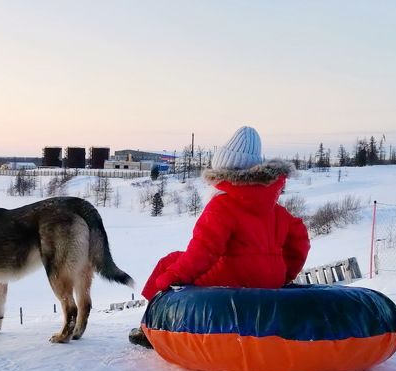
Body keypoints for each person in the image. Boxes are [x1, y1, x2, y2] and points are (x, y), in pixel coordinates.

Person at [129, 126, 310, 348]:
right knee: (178, 259)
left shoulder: (223, 205)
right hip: (271, 281)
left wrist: (173, 277)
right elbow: (300, 241)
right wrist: (285, 274)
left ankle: (151, 325)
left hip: (233, 278)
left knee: (169, 262)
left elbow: (205, 250)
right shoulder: (276, 209)